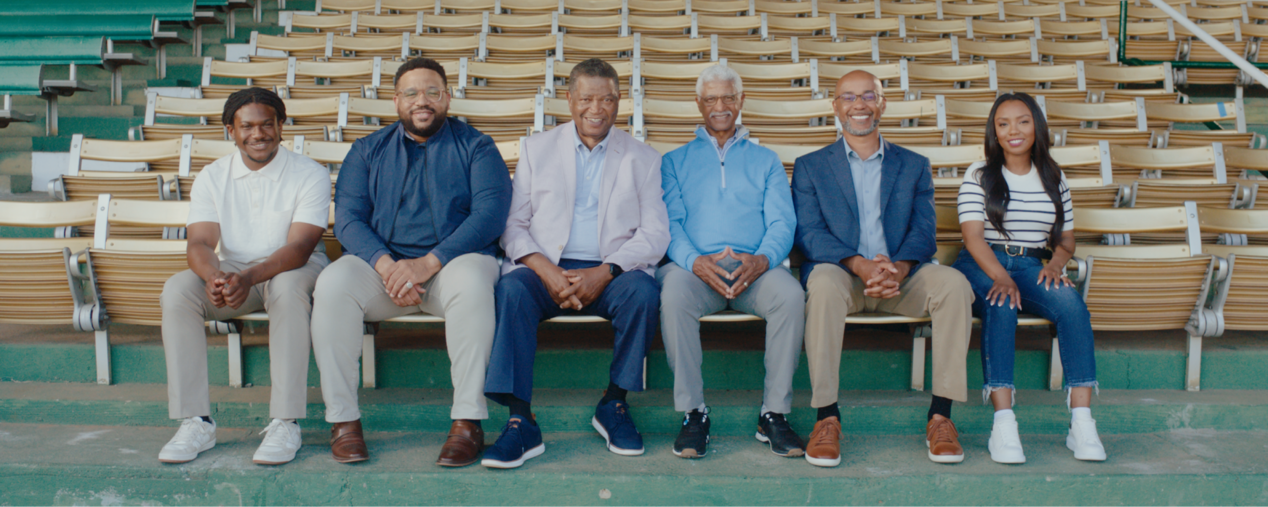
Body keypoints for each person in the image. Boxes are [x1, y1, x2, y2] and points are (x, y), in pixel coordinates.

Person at [310, 57, 512, 466]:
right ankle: (344, 421)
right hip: (382, 270)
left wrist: (429, 263)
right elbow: (348, 218)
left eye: (433, 92)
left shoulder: (477, 146)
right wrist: (387, 266)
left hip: (453, 266)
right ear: (395, 100)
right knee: (332, 283)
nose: (423, 101)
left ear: (448, 98)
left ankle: (468, 421)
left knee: (474, 281)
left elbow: (490, 215)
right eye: (412, 93)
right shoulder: (367, 150)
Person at [482, 58, 669, 469]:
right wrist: (547, 271)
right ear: (569, 100)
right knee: (511, 289)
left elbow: (655, 234)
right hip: (546, 267)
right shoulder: (536, 149)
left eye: (607, 100)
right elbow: (513, 226)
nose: (596, 109)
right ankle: (520, 419)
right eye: (586, 99)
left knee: (643, 293)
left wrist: (605, 272)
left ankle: (614, 404)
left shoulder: (643, 158)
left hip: (610, 269)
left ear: (620, 103)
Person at [793, 70, 974, 467]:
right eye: (849, 97)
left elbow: (924, 231)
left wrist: (900, 268)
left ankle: (941, 416)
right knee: (820, 283)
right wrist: (859, 264)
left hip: (899, 278)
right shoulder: (810, 167)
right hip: (843, 275)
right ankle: (826, 417)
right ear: (835, 106)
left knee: (954, 285)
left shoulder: (913, 165)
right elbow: (808, 234)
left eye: (868, 96)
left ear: (883, 103)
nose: (860, 105)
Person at [158, 87, 331, 466]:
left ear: (281, 126)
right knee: (177, 291)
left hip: (295, 267)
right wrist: (214, 278)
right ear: (230, 131)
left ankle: (286, 421)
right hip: (237, 270)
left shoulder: (310, 173)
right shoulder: (212, 175)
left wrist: (249, 277)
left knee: (286, 288)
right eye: (247, 126)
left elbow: (300, 247)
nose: (258, 134)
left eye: (267, 124)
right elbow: (200, 242)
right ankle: (196, 421)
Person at [657, 64, 805, 460]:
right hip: (695, 270)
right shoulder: (674, 161)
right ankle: (693, 413)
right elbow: (670, 224)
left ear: (740, 101)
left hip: (754, 269)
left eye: (727, 97)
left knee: (790, 296)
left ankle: (773, 413)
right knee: (672, 294)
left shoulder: (766, 160)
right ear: (698, 104)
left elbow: (781, 221)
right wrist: (695, 261)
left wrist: (762, 260)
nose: (719, 106)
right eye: (710, 99)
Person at [950, 92, 1105, 464]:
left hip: (1034, 265)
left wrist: (1056, 265)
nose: (1012, 131)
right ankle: (1003, 425)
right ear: (994, 131)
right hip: (983, 262)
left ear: (1036, 125)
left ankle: (1081, 423)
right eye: (1002, 124)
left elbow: (1065, 240)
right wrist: (1001, 276)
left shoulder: (1054, 176)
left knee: (1071, 305)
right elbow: (972, 237)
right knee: (1001, 305)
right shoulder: (980, 173)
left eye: (1022, 121)